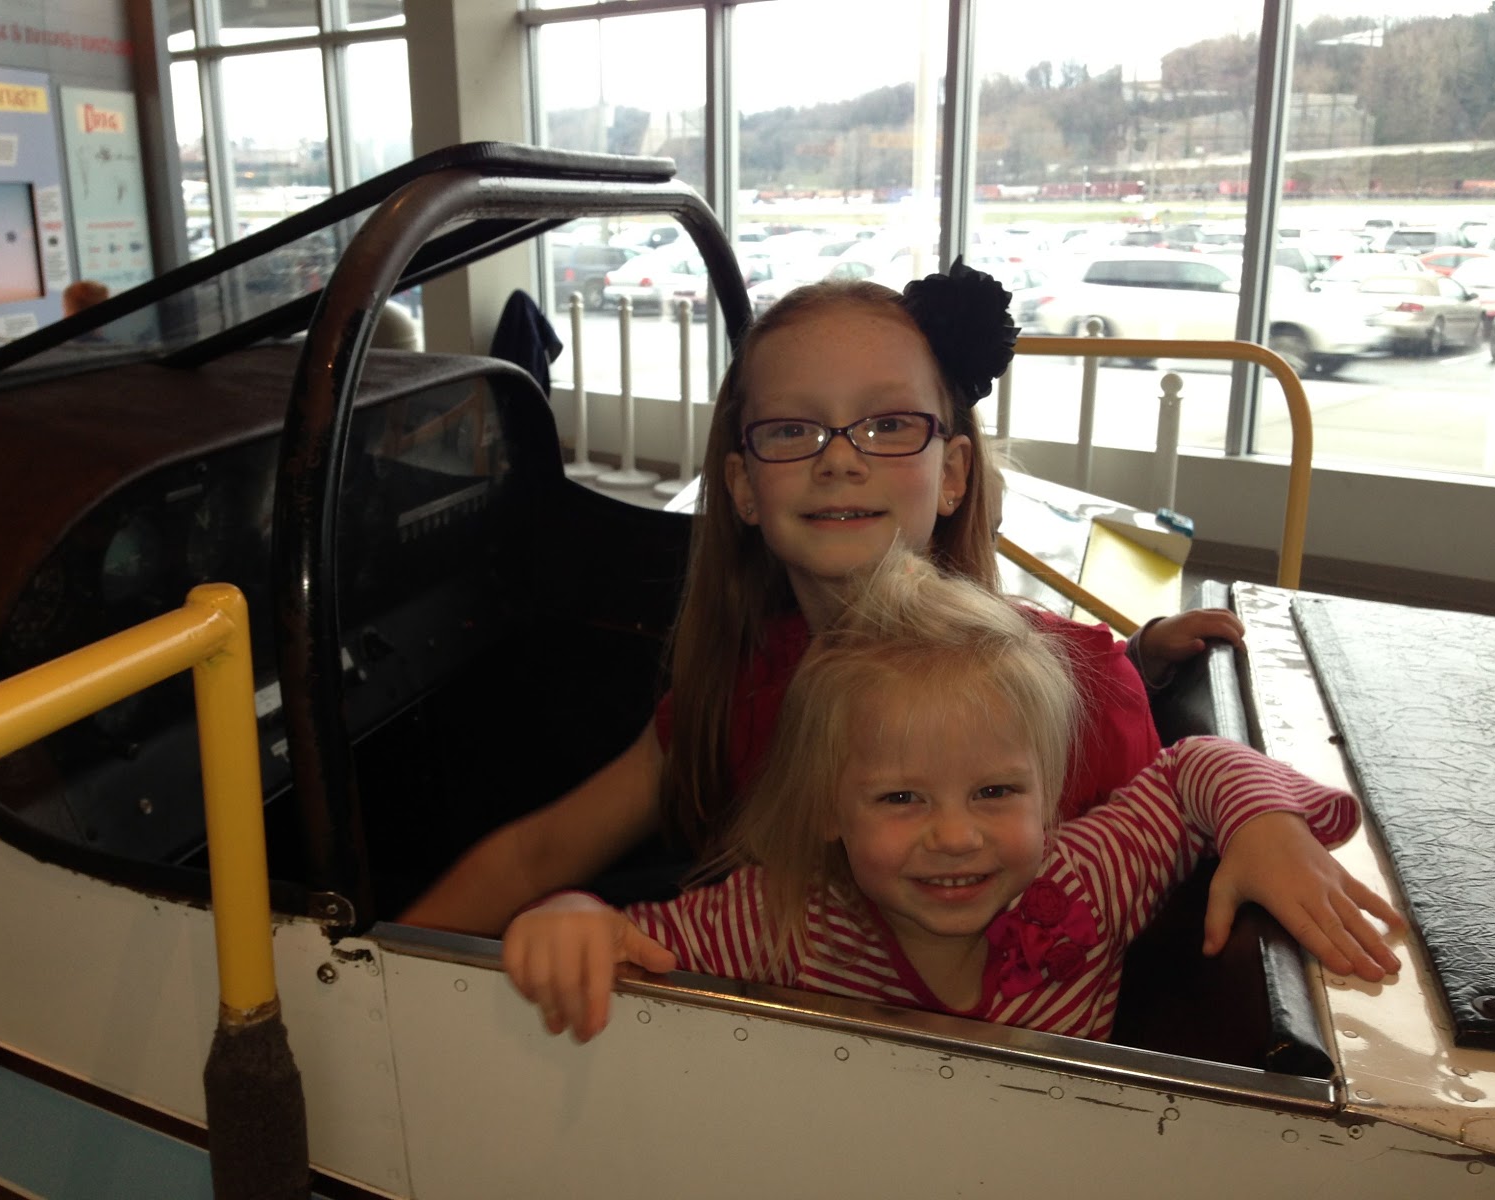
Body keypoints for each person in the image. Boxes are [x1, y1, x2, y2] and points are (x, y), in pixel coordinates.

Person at [399, 259, 1240, 935]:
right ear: (743, 487)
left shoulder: (1085, 694)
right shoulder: (733, 694)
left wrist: (1259, 825)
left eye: (888, 425)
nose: (839, 459)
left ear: (952, 473)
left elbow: (1165, 902)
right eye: (793, 430)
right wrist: (375, 978)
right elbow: (538, 856)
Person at [502, 550, 1402, 1043]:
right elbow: (633, 944)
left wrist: (1264, 825)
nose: (956, 835)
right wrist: (575, 916)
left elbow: (1198, 762)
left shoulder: (1088, 876)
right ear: (826, 810)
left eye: (996, 791)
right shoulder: (781, 918)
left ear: (1049, 794)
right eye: (901, 798)